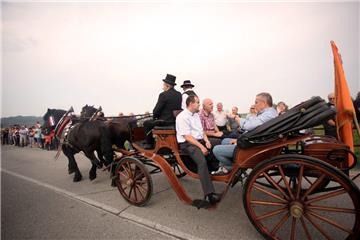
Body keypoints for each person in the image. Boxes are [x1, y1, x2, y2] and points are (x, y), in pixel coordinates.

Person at [212, 92, 278, 175]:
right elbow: (253, 126)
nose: (255, 105)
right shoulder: (270, 113)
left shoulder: (268, 115)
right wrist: (238, 139)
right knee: (225, 141)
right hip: (255, 141)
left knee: (216, 149)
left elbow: (248, 126)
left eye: (256, 102)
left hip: (254, 147)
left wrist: (237, 118)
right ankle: (223, 166)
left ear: (264, 103)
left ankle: (230, 167)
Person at [176, 95, 221, 205]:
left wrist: (207, 141)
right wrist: (202, 147)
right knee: (201, 162)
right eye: (198, 103)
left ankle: (216, 169)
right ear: (191, 104)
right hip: (187, 144)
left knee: (218, 144)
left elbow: (202, 132)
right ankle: (209, 194)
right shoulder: (182, 117)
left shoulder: (196, 115)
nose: (199, 105)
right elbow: (187, 137)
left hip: (199, 140)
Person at [143, 74, 182, 149]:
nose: (163, 87)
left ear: (167, 86)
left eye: (164, 85)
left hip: (165, 122)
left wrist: (155, 118)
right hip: (174, 122)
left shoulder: (163, 95)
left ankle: (149, 143)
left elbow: (156, 111)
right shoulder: (179, 94)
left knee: (146, 123)